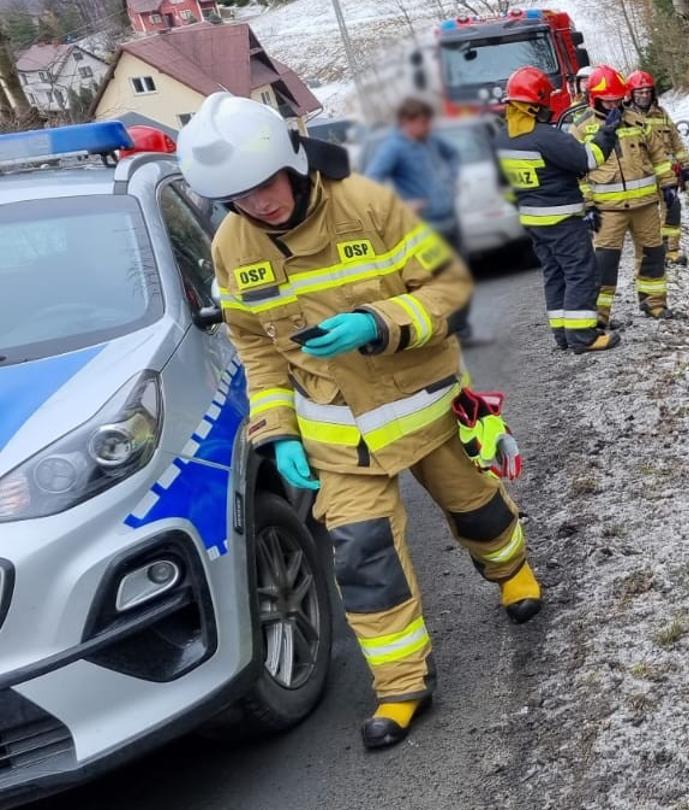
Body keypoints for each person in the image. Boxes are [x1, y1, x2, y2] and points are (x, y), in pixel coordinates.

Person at [177, 92, 542, 750]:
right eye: (240, 196)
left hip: (428, 405)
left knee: (478, 509)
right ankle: (403, 686)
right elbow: (256, 349)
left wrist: (379, 322)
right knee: (364, 559)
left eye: (264, 185)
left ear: (290, 161)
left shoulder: (367, 203)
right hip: (342, 438)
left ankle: (512, 573)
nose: (260, 204)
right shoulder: (233, 245)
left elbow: (448, 288)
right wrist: (279, 429)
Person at [494, 66, 624, 352]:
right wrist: (608, 133)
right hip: (562, 218)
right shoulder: (546, 137)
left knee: (554, 274)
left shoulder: (502, 139)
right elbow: (588, 159)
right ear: (537, 104)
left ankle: (563, 336)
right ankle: (582, 337)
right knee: (581, 272)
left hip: (532, 220)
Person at [570, 65, 674, 324]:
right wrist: (588, 206)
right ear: (594, 97)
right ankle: (600, 317)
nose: (615, 103)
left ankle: (654, 304)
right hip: (608, 210)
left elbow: (658, 154)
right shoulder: (582, 128)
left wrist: (668, 183)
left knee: (653, 254)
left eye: (618, 98)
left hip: (646, 205)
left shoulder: (637, 120)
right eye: (609, 99)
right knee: (605, 264)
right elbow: (577, 170)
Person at [363, 98, 472, 341]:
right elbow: (371, 182)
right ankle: (448, 330)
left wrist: (450, 179)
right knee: (440, 281)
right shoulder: (394, 148)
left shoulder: (431, 141)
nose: (427, 127)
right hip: (427, 228)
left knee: (462, 276)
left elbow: (453, 155)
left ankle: (462, 329)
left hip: (449, 219)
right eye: (422, 122)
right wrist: (401, 205)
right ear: (406, 122)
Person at [628, 70, 689, 267]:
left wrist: (685, 164)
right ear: (631, 94)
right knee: (647, 219)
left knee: (673, 209)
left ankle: (671, 249)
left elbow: (675, 139)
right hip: (641, 177)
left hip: (666, 174)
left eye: (647, 91)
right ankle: (653, 253)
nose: (644, 95)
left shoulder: (661, 113)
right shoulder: (625, 117)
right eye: (639, 92)